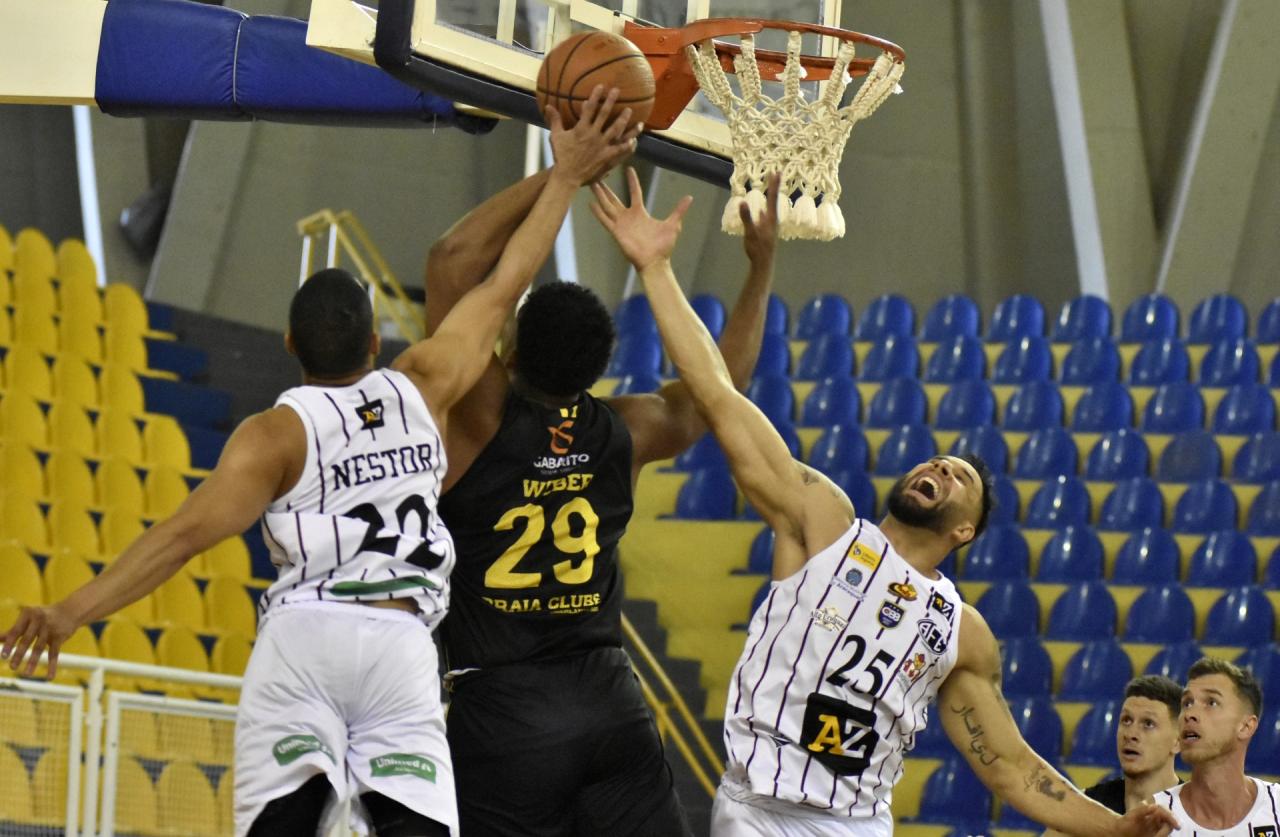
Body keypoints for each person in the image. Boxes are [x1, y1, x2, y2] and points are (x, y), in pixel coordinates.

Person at [0, 88, 638, 837]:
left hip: (305, 640)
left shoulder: (275, 435)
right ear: (376, 343)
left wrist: (70, 611)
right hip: (401, 642)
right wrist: (562, 177)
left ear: (291, 345)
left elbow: (180, 538)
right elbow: (501, 288)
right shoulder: (422, 384)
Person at [589, 168, 1181, 837]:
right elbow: (717, 395)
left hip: (853, 824)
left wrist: (1112, 828)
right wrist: (657, 269)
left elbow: (1010, 766)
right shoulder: (824, 520)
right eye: (937, 460)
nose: (938, 466)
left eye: (960, 477)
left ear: (964, 530)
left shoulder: (961, 630)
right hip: (756, 810)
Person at [422, 151, 782, 832]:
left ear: (511, 349)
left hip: (503, 708)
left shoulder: (477, 415)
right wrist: (760, 270)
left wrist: (571, 169)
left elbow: (450, 260)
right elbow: (718, 389)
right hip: (609, 700)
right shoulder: (627, 428)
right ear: (600, 363)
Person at [1155, 657, 1279, 835]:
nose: (1190, 713)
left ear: (1246, 727)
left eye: (1211, 702)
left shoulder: (1277, 807)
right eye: (1187, 703)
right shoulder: (1154, 819)